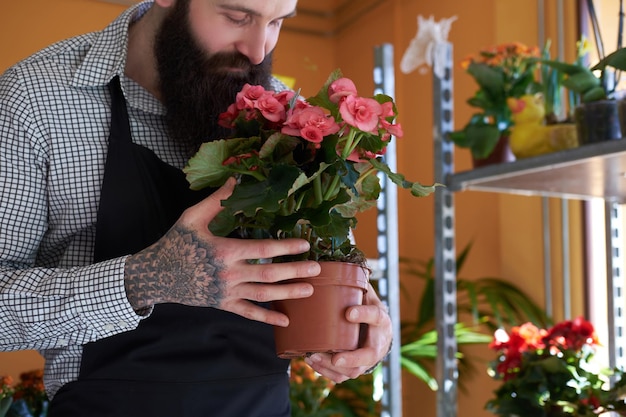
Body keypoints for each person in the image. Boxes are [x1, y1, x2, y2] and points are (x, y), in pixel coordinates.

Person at [0, 0, 393, 415]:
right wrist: (145, 280)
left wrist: (369, 326)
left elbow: (333, 265)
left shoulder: (283, 114)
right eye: (237, 17)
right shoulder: (37, 99)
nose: (258, 50)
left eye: (277, 22)